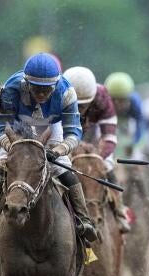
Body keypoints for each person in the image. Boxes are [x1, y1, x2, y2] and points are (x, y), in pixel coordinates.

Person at [0, 52, 97, 243]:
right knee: (2, 168)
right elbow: (1, 128)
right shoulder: (10, 90)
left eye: (47, 90)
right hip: (18, 126)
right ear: (26, 83)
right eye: (36, 89)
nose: (41, 94)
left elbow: (74, 133)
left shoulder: (66, 93)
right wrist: (12, 146)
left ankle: (84, 220)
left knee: (62, 168)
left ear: (55, 85)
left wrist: (58, 151)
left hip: (51, 126)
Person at [63, 66, 131, 233]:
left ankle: (119, 210)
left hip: (93, 139)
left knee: (107, 167)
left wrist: (96, 156)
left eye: (84, 106)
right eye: (76, 105)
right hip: (64, 139)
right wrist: (73, 149)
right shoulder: (58, 97)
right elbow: (56, 133)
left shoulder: (102, 98)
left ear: (93, 99)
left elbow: (109, 137)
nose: (79, 110)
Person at [104, 72, 145, 161]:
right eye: (114, 100)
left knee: (135, 153)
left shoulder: (135, 103)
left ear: (129, 98)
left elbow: (140, 126)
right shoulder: (104, 103)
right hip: (113, 119)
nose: (118, 105)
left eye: (122, 100)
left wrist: (134, 144)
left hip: (128, 121)